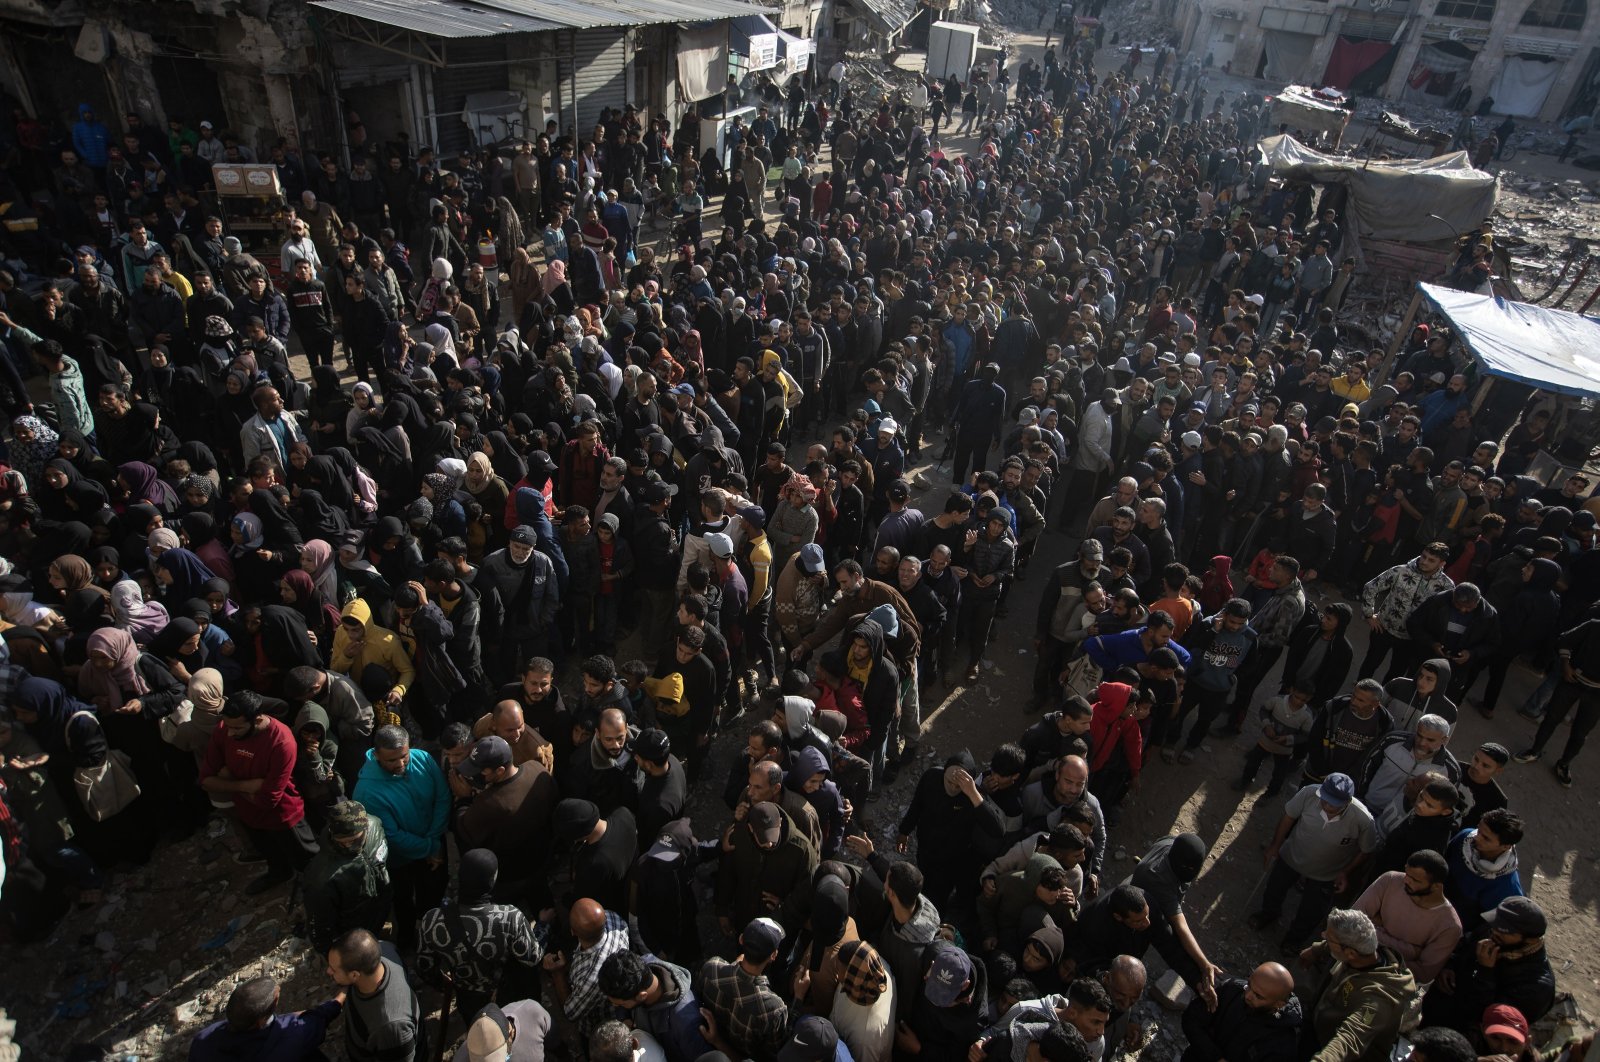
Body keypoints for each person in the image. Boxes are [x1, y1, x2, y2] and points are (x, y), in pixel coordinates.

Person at [198, 690, 318, 895]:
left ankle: (317, 888)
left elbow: (269, 799)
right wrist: (245, 785)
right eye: (228, 726)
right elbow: (206, 781)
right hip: (248, 813)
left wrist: (228, 779)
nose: (229, 733)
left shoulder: (281, 741)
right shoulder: (224, 729)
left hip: (284, 817)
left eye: (237, 727)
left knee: (309, 861)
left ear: (258, 719)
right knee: (270, 853)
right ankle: (280, 873)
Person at [416, 848, 543, 1022]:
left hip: (466, 995)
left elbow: (424, 966)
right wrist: (542, 925)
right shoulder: (509, 917)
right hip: (505, 991)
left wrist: (445, 984)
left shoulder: (432, 920)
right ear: (492, 880)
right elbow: (532, 958)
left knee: (477, 1034)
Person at [1251, 774, 1376, 951]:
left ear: (1347, 802)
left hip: (1327, 874)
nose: (1327, 805)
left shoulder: (1364, 819)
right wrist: (1275, 845)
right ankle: (1268, 914)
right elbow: (1288, 817)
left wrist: (1345, 872)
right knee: (1274, 888)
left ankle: (1294, 940)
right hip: (1292, 856)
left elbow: (1366, 850)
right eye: (1325, 799)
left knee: (1311, 910)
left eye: (1334, 803)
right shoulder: (1309, 793)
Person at [353, 725, 450, 952]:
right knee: (403, 898)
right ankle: (407, 938)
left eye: (404, 757)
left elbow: (443, 797)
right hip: (399, 859)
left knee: (434, 887)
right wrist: (430, 847)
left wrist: (434, 840)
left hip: (432, 843)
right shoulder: (367, 791)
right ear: (376, 755)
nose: (400, 764)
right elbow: (392, 836)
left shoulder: (423, 758)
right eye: (391, 760)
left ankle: (431, 926)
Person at [1297, 909, 1419, 1062]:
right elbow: (1338, 944)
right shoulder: (1365, 952)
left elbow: (1349, 1040)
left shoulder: (1378, 1000)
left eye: (1328, 939)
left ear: (1351, 954)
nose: (1323, 936)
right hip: (1320, 1026)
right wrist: (1317, 949)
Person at [302, 799, 392, 952]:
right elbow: (320, 924)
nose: (349, 846)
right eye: (342, 842)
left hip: (382, 905)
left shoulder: (375, 826)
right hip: (354, 928)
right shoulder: (321, 876)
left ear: (366, 827)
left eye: (354, 840)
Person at [189, 975, 344, 1062]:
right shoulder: (290, 1039)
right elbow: (319, 1018)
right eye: (275, 999)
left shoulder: (202, 1039)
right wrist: (343, 995)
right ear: (261, 1021)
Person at [327, 928, 425, 1062]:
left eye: (333, 969)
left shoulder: (391, 1028)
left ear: (355, 975)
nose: (328, 971)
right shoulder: (383, 949)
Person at [1179, 962, 1300, 1062]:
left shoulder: (1282, 1044)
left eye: (1258, 996)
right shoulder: (1232, 989)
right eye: (1249, 985)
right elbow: (1191, 1019)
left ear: (1278, 1004)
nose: (1247, 995)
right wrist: (1215, 1057)